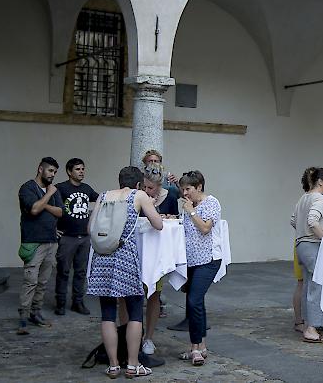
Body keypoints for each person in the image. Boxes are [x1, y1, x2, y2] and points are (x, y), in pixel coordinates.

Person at [87, 166, 163, 378]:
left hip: (102, 258)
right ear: (138, 183)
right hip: (125, 258)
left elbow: (90, 229)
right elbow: (158, 224)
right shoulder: (138, 195)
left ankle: (112, 365)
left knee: (108, 314)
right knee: (135, 311)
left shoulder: (103, 195)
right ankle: (132, 364)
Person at [177, 170, 223, 366]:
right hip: (192, 260)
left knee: (194, 301)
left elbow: (205, 228)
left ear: (199, 187)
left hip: (209, 259)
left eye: (188, 189)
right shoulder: (189, 206)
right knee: (195, 302)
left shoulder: (211, 202)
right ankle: (201, 347)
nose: (185, 193)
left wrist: (191, 211)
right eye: (183, 189)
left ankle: (195, 348)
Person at [17, 157, 64, 335]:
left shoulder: (54, 190)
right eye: (50, 171)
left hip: (51, 241)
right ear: (40, 169)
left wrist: (44, 203)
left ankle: (35, 313)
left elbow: (60, 212)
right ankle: (23, 315)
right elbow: (34, 209)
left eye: (54, 172)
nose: (52, 175)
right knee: (31, 281)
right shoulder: (27, 188)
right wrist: (48, 195)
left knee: (43, 282)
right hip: (33, 242)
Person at [291, 168, 323, 344]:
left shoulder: (304, 198)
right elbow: (312, 220)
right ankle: (312, 328)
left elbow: (293, 220)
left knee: (309, 285)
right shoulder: (319, 198)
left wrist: (302, 235)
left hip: (302, 246)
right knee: (317, 286)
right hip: (313, 246)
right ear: (320, 182)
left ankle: (310, 324)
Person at [140, 162, 180, 355]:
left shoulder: (170, 196)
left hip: (159, 250)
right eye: (145, 187)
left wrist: (166, 218)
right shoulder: (140, 196)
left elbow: (176, 220)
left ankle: (149, 337)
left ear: (159, 185)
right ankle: (133, 333)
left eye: (151, 188)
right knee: (135, 295)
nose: (148, 191)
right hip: (140, 249)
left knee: (154, 294)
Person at [54, 158, 99, 316]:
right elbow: (50, 208)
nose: (81, 172)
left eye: (83, 169)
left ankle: (77, 302)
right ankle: (60, 303)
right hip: (67, 236)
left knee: (80, 272)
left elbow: (100, 199)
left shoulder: (86, 188)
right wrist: (53, 228)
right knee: (63, 271)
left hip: (84, 237)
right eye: (78, 169)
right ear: (69, 171)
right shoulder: (60, 188)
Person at [292, 167, 315, 334]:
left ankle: (300, 319)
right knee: (305, 283)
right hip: (309, 242)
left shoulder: (302, 199)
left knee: (301, 283)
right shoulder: (314, 199)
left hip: (299, 241)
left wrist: (300, 228)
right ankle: (304, 320)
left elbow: (293, 220)